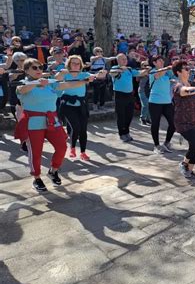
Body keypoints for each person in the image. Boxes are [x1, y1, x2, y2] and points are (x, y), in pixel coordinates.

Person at [14, 58, 92, 192]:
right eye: (34, 68)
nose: (38, 70)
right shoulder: (22, 84)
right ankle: (36, 178)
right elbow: (23, 90)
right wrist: (37, 82)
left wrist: (86, 80)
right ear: (26, 70)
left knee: (62, 146)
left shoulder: (50, 84)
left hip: (52, 121)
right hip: (33, 123)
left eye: (40, 67)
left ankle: (53, 170)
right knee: (36, 152)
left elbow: (68, 85)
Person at [56, 55, 106, 160]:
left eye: (78, 63)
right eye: (73, 63)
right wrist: (62, 72)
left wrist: (101, 74)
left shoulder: (84, 74)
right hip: (68, 105)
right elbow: (57, 79)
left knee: (83, 129)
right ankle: (73, 147)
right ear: (69, 64)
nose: (76, 65)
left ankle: (83, 152)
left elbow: (96, 76)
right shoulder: (66, 74)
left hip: (81, 105)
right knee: (76, 127)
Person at [109, 53, 149, 142]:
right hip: (119, 95)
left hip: (129, 95)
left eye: (125, 59)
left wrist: (147, 69)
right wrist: (121, 69)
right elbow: (112, 73)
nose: (125, 61)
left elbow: (139, 73)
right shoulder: (115, 68)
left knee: (129, 115)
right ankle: (121, 133)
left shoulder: (129, 69)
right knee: (121, 116)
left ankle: (126, 132)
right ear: (118, 60)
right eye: (122, 59)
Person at [148, 55, 175, 154]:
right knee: (155, 124)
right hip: (155, 102)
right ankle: (156, 145)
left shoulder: (167, 73)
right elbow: (158, 75)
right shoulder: (153, 71)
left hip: (167, 102)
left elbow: (176, 76)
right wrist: (167, 68)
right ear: (154, 63)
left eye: (162, 60)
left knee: (173, 123)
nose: (162, 61)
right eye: (159, 60)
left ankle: (167, 143)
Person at [137, 60, 151, 126]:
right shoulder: (140, 72)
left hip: (149, 91)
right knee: (145, 105)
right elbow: (137, 79)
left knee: (149, 105)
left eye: (147, 65)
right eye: (144, 65)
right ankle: (142, 118)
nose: (146, 67)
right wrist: (144, 72)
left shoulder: (150, 72)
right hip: (142, 90)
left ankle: (148, 119)